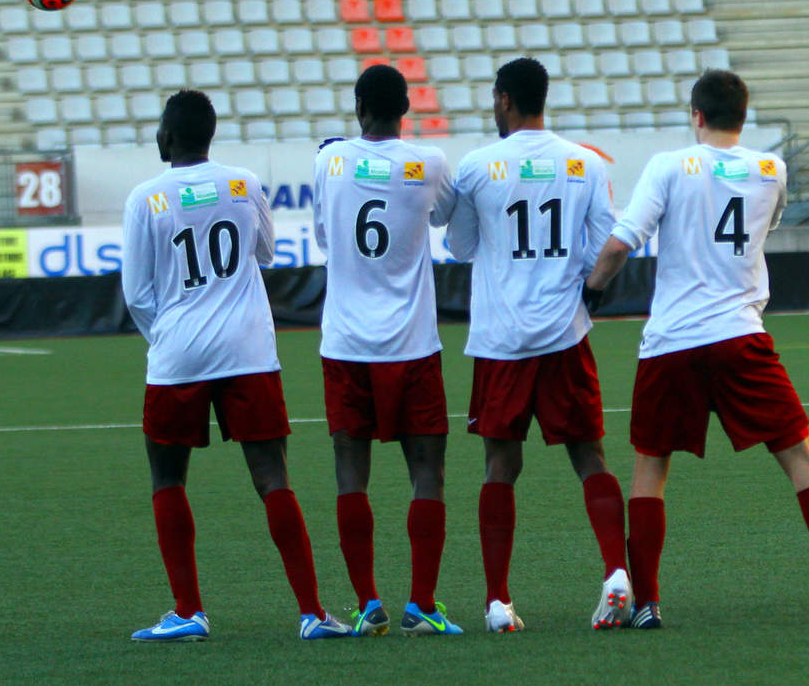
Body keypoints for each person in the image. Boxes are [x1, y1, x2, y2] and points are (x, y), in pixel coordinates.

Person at [584, 70, 809, 628]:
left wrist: (590, 292)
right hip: (740, 336)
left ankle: (646, 603)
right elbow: (765, 226)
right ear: (743, 115)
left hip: (672, 342)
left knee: (651, 468)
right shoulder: (771, 169)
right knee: (801, 458)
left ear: (696, 115)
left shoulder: (668, 166)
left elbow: (620, 246)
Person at [122, 90, 349, 642]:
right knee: (273, 477)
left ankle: (188, 612)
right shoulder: (244, 184)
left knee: (167, 476)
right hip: (248, 350)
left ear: (167, 136)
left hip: (179, 354)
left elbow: (136, 294)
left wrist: (168, 337)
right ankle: (313, 613)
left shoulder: (145, 198)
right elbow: (265, 253)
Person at [445, 57, 631, 633]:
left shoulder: (477, 165)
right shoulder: (585, 162)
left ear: (504, 99)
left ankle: (498, 601)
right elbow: (603, 249)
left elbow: (459, 247)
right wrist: (582, 293)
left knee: (500, 465)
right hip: (563, 333)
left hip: (502, 340)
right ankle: (617, 573)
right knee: (589, 456)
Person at [312, 65, 463, 635]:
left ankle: (367, 603)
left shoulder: (329, 160)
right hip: (411, 343)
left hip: (346, 343)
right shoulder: (430, 162)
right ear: (406, 110)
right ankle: (422, 605)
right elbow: (445, 215)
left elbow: (325, 238)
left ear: (358, 108)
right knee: (427, 471)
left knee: (351, 473)